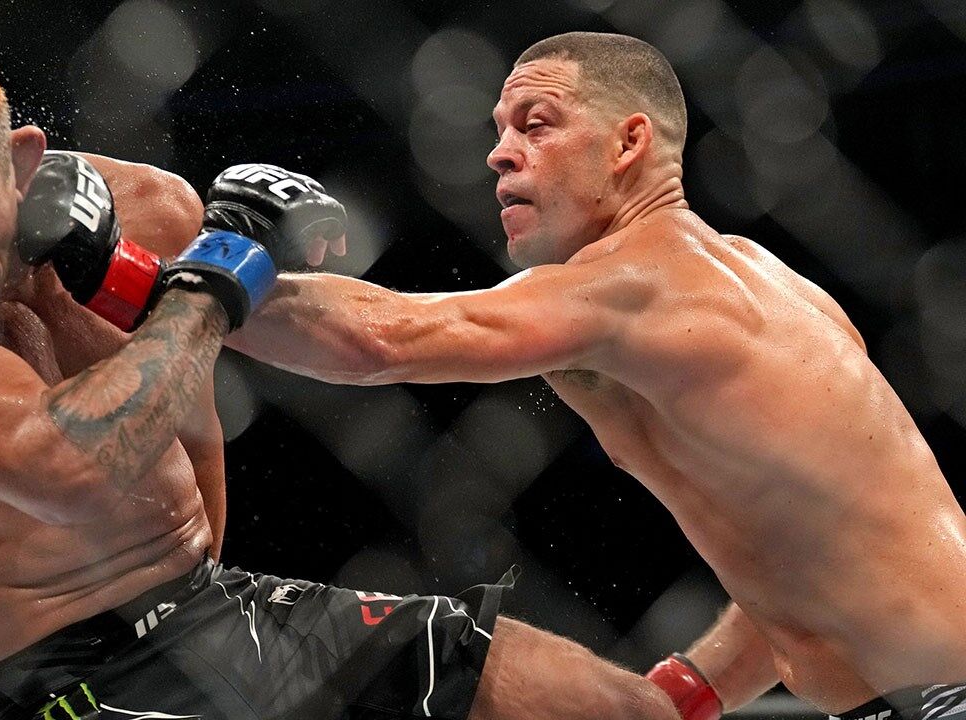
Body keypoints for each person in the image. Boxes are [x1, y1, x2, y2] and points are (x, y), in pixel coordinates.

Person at [0, 29, 678, 720]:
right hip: (61, 674)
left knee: (612, 705)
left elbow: (195, 430)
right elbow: (65, 468)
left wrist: (210, 602)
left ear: (18, 159)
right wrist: (216, 282)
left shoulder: (142, 208)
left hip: (218, 609)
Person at [227, 31, 966, 720]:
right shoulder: (770, 284)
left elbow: (383, 339)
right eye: (499, 131)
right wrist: (680, 697)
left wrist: (201, 270)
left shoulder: (641, 284)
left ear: (628, 143)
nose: (500, 155)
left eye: (536, 124)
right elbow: (801, 556)